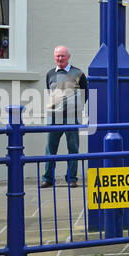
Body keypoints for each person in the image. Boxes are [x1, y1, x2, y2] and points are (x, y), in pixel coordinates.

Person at [43, 46, 88, 187]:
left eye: (62, 56)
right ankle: (48, 179)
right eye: (57, 56)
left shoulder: (78, 73)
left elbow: (84, 95)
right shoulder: (50, 74)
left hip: (72, 118)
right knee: (50, 149)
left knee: (73, 148)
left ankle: (72, 178)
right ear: (54, 57)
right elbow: (50, 93)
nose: (60, 58)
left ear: (68, 57)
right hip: (53, 118)